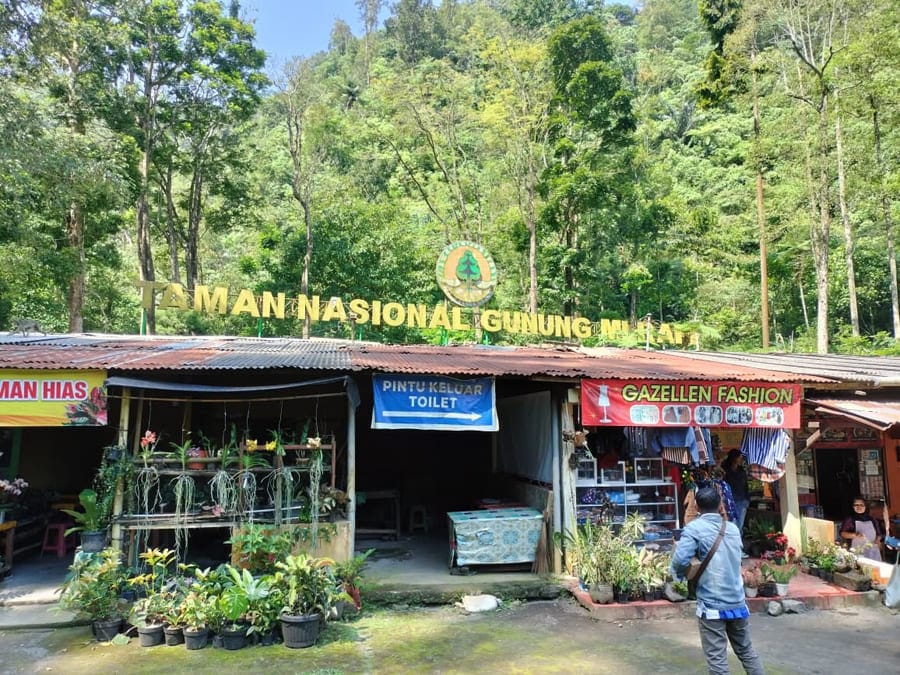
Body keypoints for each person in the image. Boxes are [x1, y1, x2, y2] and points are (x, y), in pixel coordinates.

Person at [671, 486, 764, 675]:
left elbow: (680, 559)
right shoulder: (732, 529)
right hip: (737, 602)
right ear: (720, 503)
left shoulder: (694, 529)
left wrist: (678, 576)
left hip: (712, 605)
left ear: (696, 506)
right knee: (746, 651)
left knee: (717, 660)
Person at [722, 449, 750, 557]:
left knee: (739, 526)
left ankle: (738, 549)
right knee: (731, 526)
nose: (741, 459)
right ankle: (732, 550)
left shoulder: (742, 471)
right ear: (734, 458)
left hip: (741, 500)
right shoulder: (725, 470)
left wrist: (747, 499)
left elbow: (745, 486)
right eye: (740, 457)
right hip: (729, 501)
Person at [840, 497, 885, 561]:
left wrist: (878, 540)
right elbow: (842, 533)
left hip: (873, 549)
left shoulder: (872, 519)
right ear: (853, 507)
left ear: (865, 506)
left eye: (861, 505)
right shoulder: (850, 519)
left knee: (875, 569)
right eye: (856, 505)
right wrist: (854, 535)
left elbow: (879, 534)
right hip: (858, 550)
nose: (859, 507)